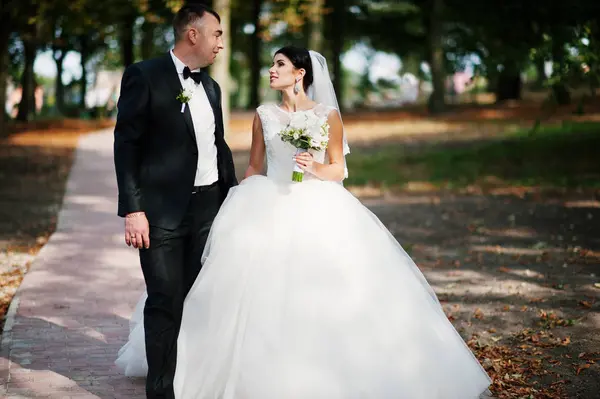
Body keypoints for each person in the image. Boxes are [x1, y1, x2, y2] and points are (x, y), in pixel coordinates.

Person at [117, 46, 492, 398]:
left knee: (326, 289)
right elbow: (254, 165)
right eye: (272, 64)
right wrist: (237, 197)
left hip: (317, 205)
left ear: (299, 73)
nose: (271, 70)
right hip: (267, 202)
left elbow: (338, 169)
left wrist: (313, 167)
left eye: (279, 65)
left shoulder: (326, 115)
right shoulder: (264, 114)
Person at [113, 4, 237, 398]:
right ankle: (162, 391)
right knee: (165, 300)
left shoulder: (212, 88)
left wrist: (234, 201)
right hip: (160, 212)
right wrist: (133, 209)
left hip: (208, 209)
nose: (221, 42)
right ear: (193, 34)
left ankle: (195, 384)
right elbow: (126, 144)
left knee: (201, 299)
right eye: (216, 34)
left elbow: (218, 148)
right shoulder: (143, 75)